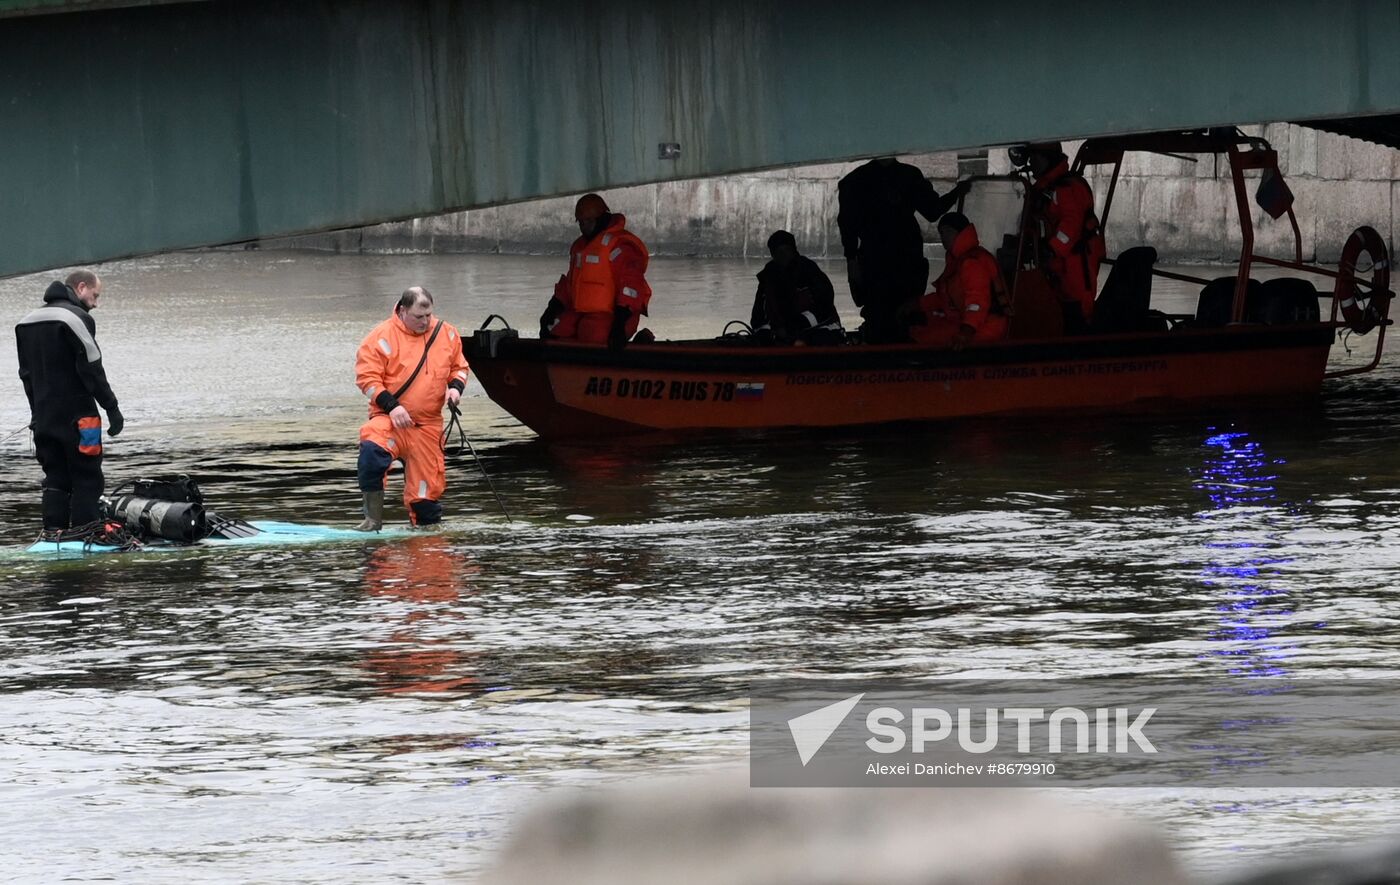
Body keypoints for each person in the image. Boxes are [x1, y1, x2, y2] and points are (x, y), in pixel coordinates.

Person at [15, 270, 124, 533]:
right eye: (95, 296)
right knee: (87, 475)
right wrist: (112, 408)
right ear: (81, 287)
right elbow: (92, 369)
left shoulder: (26, 322)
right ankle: (87, 532)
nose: (95, 303)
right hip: (81, 419)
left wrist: (35, 415)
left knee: (55, 478)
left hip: (44, 420)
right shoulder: (76, 319)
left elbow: (26, 375)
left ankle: (54, 532)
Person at [354, 287, 470, 530]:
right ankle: (372, 522)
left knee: (426, 498)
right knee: (371, 455)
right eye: (419, 317)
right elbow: (368, 380)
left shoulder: (447, 334)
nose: (425, 322)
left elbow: (459, 368)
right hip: (390, 420)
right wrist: (393, 407)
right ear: (403, 310)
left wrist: (455, 389)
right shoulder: (380, 337)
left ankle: (427, 538)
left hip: (428, 425)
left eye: (428, 316)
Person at [836, 157, 965, 343]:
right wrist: (958, 191)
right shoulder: (909, 175)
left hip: (875, 261)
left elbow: (847, 226)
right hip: (906, 259)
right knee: (907, 315)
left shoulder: (854, 180)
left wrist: (851, 259)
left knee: (879, 316)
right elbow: (933, 210)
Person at [539, 193, 652, 349]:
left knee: (592, 334)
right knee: (553, 330)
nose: (584, 226)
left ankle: (633, 346)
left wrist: (620, 321)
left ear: (601, 218)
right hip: (581, 312)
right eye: (581, 222)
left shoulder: (620, 246)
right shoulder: (580, 247)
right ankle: (563, 366)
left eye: (588, 221)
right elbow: (571, 283)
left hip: (616, 315)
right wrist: (552, 308)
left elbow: (631, 286)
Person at [1025, 142, 1105, 333]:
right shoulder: (1045, 188)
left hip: (1075, 260)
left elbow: (1071, 225)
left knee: (1077, 305)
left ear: (1048, 159)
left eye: (1035, 158)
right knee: (1058, 305)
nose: (1031, 163)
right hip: (1057, 262)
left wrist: (1051, 248)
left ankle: (1080, 342)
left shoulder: (1067, 188)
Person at [904, 213, 1009, 348]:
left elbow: (977, 302)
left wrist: (966, 332)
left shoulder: (972, 262)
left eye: (944, 233)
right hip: (965, 322)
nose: (942, 238)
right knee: (918, 327)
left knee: (922, 338)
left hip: (984, 327)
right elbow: (945, 298)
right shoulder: (958, 260)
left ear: (952, 231)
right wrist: (918, 304)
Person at [750, 230, 845, 345]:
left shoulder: (810, 271)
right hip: (784, 337)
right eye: (777, 252)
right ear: (772, 255)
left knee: (820, 339)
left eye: (786, 250)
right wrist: (765, 334)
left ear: (794, 250)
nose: (782, 256)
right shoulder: (768, 278)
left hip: (822, 330)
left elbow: (824, 307)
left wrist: (795, 328)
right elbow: (758, 317)